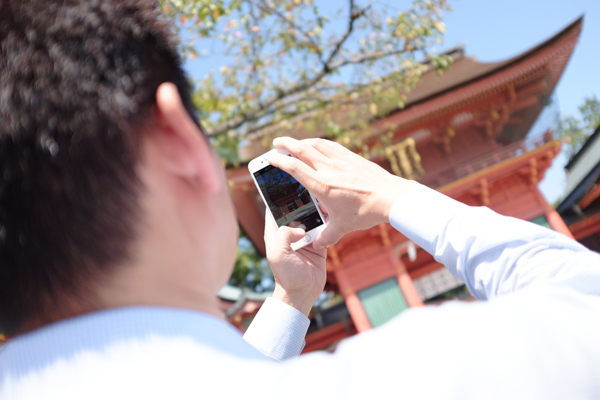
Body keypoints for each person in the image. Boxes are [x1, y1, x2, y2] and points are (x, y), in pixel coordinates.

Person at [1, 1, 599, 399]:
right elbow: (585, 299)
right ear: (180, 143)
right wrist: (393, 194)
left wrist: (292, 297)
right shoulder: (421, 378)